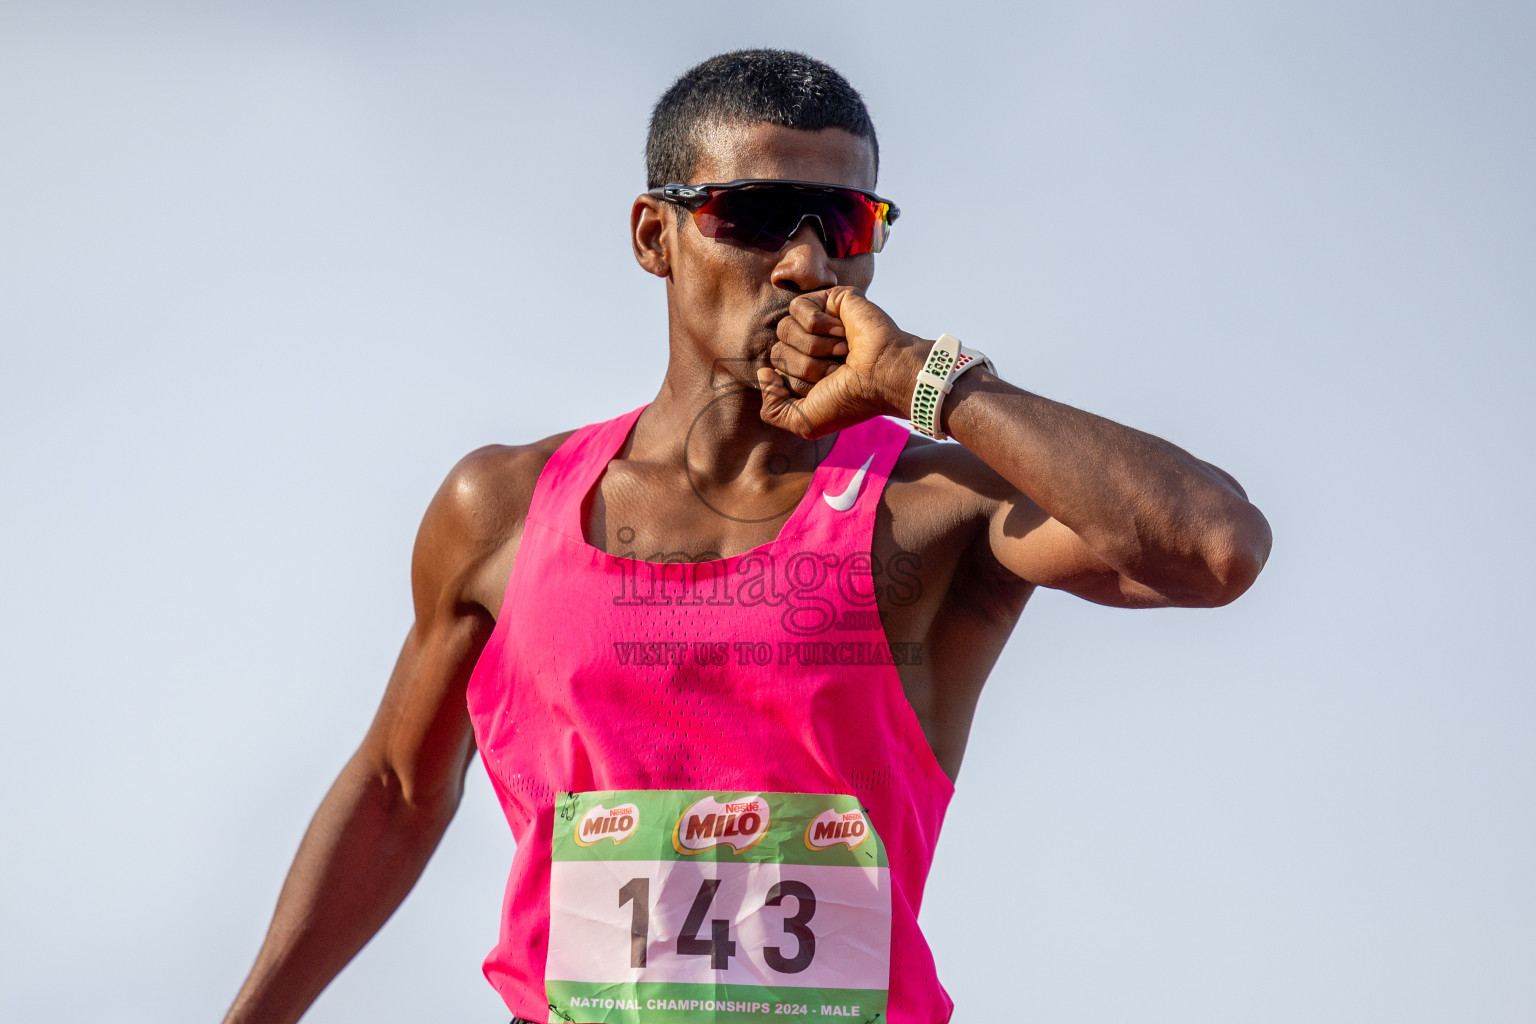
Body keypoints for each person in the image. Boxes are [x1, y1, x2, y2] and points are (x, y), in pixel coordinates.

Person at [223, 49, 1272, 1024]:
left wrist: (929, 383)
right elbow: (400, 792)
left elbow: (1218, 548)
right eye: (757, 214)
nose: (805, 262)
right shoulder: (502, 505)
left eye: (844, 223)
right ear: (654, 236)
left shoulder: (933, 507)